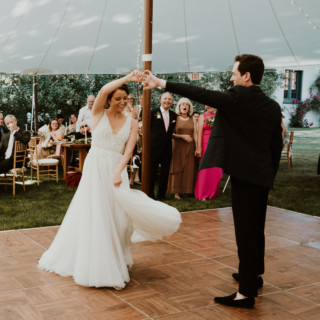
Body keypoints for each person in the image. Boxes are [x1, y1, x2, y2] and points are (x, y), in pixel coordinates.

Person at [143, 54, 283, 309]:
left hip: (245, 176)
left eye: (234, 73)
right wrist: (269, 174)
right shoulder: (272, 106)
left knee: (245, 231)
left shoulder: (238, 98)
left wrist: (162, 84)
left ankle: (246, 294)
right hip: (262, 177)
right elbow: (276, 145)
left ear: (246, 76)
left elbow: (201, 93)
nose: (231, 77)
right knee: (256, 229)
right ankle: (253, 275)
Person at [38, 71, 181, 290]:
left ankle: (118, 255)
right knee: (96, 212)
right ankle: (95, 261)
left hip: (116, 168)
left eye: (125, 99)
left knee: (117, 215)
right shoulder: (98, 113)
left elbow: (129, 150)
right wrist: (128, 78)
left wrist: (118, 171)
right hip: (96, 166)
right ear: (109, 100)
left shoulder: (132, 122)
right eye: (118, 99)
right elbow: (104, 90)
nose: (122, 102)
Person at [149, 92, 177, 200]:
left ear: (172, 102)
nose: (167, 101)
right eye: (165, 98)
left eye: (169, 99)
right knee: (152, 172)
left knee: (165, 173)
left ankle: (161, 195)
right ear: (160, 100)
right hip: (154, 147)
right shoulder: (152, 112)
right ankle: (150, 195)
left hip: (167, 148)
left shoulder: (174, 115)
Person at [168, 98, 197, 199]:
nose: (185, 106)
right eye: (182, 104)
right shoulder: (175, 117)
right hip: (178, 146)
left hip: (190, 146)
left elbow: (195, 133)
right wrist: (181, 136)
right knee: (177, 167)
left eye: (187, 105)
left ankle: (186, 190)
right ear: (179, 107)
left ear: (189, 107)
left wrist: (197, 147)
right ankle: (176, 191)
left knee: (189, 169)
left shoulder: (192, 118)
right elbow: (169, 133)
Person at [194, 106, 223, 200]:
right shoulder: (203, 116)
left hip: (217, 144)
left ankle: (213, 191)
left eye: (209, 104)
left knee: (215, 167)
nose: (208, 106)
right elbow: (199, 133)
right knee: (205, 167)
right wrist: (199, 148)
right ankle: (202, 193)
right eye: (206, 104)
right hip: (205, 143)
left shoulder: (219, 115)